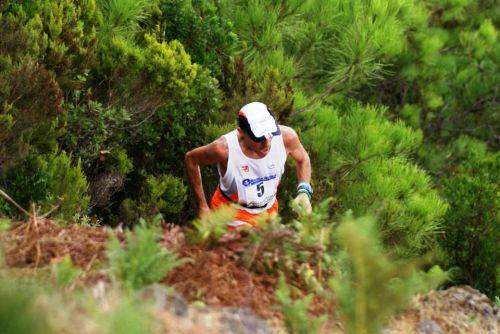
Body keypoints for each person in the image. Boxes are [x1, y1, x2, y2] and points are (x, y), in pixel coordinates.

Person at [185, 102, 312, 229]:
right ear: (241, 133)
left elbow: (303, 159)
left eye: (270, 134)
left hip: (268, 211)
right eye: (259, 138)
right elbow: (191, 159)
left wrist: (304, 191)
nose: (266, 143)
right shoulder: (223, 149)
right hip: (230, 214)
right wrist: (202, 207)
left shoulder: (286, 138)